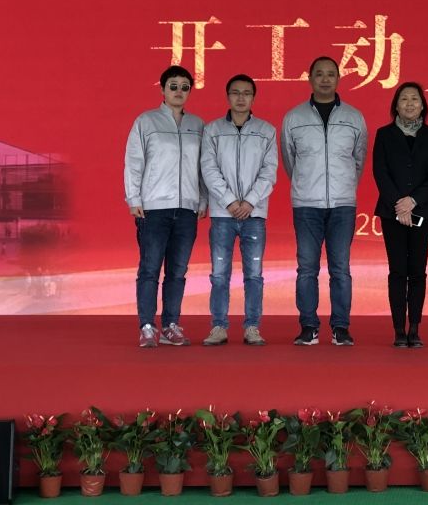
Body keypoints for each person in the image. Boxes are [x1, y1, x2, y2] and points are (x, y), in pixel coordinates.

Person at [281, 56, 367, 346]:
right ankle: (308, 326)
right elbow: (290, 161)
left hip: (343, 204)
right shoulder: (294, 118)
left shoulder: (354, 117)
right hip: (307, 204)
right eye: (319, 74)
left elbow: (358, 160)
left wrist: (343, 186)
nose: (325, 79)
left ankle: (341, 327)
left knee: (340, 268)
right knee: (307, 268)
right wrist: (307, 184)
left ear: (339, 78)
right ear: (310, 79)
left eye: (331, 74)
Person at [124, 65, 206, 348]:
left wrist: (202, 199)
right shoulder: (146, 122)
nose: (179, 92)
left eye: (185, 87)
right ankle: (147, 326)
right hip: (154, 208)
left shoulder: (198, 125)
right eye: (173, 86)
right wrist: (134, 198)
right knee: (149, 269)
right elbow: (134, 162)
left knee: (178, 271)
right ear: (162, 89)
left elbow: (203, 167)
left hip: (187, 209)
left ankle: (171, 324)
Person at [200, 74, 278, 347]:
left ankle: (252, 327)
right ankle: (219, 326)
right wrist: (231, 202)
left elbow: (269, 172)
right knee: (219, 274)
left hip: (254, 214)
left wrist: (250, 202)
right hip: (223, 214)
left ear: (253, 98)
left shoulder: (266, 131)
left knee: (254, 274)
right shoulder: (212, 130)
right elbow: (209, 169)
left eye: (246, 93)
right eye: (235, 92)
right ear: (227, 97)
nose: (241, 98)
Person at [372, 82, 428, 348]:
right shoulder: (384, 134)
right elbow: (380, 172)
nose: (410, 103)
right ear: (396, 105)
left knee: (417, 271)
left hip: (422, 210)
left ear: (422, 106)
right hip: (391, 212)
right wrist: (399, 204)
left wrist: (413, 201)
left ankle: (414, 328)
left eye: (415, 99)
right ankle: (398, 330)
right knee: (397, 271)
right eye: (404, 99)